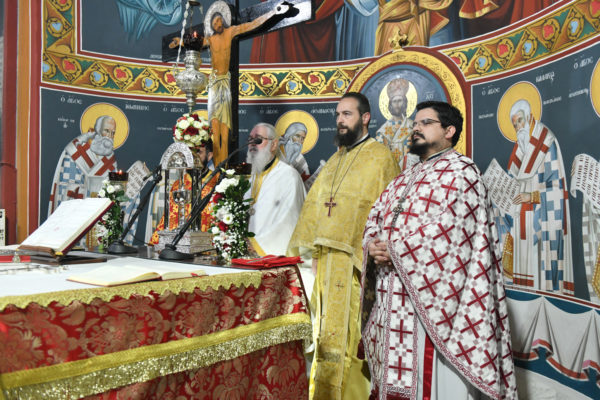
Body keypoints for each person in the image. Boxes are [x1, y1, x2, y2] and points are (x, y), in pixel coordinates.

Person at [362, 101, 517, 399]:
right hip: (391, 294)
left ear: (449, 131)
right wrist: (372, 244)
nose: (416, 129)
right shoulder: (403, 178)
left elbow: (451, 231)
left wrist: (396, 249)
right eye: (415, 124)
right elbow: (376, 216)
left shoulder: (462, 173)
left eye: (426, 123)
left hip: (434, 299)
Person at [288, 92, 400, 399]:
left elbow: (389, 211)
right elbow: (316, 207)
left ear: (365, 118)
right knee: (323, 334)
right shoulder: (335, 160)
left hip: (357, 265)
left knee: (353, 337)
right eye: (337, 114)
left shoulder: (380, 157)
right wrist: (315, 249)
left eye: (347, 114)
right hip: (326, 263)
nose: (340, 120)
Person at [492, 99, 574, 294]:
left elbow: (557, 188)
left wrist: (532, 196)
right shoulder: (520, 149)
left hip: (540, 220)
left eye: (520, 121)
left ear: (529, 118)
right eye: (514, 125)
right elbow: (512, 182)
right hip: (520, 220)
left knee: (537, 275)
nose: (518, 128)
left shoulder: (546, 143)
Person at [203, 1, 291, 165]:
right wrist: (180, 42)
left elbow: (253, 24)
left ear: (224, 21)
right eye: (214, 22)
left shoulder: (231, 32)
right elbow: (193, 43)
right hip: (214, 85)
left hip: (225, 84)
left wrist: (274, 12)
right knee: (214, 127)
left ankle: (224, 165)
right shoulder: (210, 39)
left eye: (219, 20)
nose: (217, 24)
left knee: (224, 128)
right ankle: (217, 166)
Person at [245, 123, 305, 256]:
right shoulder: (247, 178)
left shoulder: (288, 176)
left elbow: (289, 220)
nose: (252, 144)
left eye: (258, 140)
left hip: (271, 255)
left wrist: (257, 244)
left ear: (273, 145)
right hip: (244, 254)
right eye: (250, 139)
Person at [148, 140, 218, 245]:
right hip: (178, 246)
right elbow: (169, 218)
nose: (191, 157)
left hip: (207, 246)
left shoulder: (218, 183)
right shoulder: (178, 184)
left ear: (209, 156)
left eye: (198, 152)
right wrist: (155, 243)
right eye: (188, 152)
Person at [49, 115, 118, 215]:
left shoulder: (110, 159)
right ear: (98, 130)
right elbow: (64, 189)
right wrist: (89, 193)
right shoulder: (75, 151)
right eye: (106, 131)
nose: (109, 136)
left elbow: (113, 189)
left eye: (113, 133)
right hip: (73, 212)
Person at [375, 78, 414, 166]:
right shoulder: (382, 131)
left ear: (404, 103)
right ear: (390, 105)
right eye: (394, 101)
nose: (397, 104)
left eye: (400, 101)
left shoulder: (412, 126)